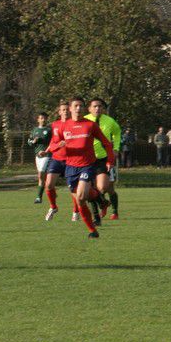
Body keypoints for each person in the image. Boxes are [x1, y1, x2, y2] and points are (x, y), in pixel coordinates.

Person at [45, 97, 115, 238]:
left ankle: (92, 232)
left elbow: (106, 143)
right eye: (76, 106)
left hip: (87, 166)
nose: (78, 108)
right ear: (70, 109)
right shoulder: (63, 126)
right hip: (70, 167)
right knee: (82, 198)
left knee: (81, 197)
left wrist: (110, 160)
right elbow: (53, 145)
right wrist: (57, 146)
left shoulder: (90, 125)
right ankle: (100, 203)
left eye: (81, 106)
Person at [85, 99, 120, 221]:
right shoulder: (84, 120)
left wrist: (116, 148)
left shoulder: (109, 121)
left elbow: (117, 132)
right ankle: (98, 213)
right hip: (88, 159)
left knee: (106, 188)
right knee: (91, 188)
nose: (97, 109)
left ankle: (114, 211)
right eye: (94, 106)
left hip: (104, 159)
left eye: (100, 106)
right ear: (89, 108)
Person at [37, 102, 70, 221]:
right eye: (63, 109)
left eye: (67, 109)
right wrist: (46, 151)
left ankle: (76, 211)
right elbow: (53, 141)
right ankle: (53, 207)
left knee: (73, 188)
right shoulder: (55, 125)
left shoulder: (74, 124)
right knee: (49, 184)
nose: (65, 111)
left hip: (71, 159)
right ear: (59, 112)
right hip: (56, 158)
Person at [27, 112, 52, 205]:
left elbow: (53, 142)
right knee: (41, 177)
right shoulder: (34, 130)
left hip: (47, 155)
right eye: (41, 118)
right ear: (38, 119)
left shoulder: (49, 130)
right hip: (37, 156)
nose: (43, 120)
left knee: (41, 173)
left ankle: (43, 194)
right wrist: (33, 141)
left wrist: (47, 150)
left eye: (44, 118)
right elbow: (29, 142)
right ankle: (39, 197)